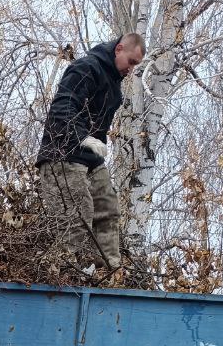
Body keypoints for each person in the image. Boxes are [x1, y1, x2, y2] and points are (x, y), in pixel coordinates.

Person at [36, 33, 145, 272]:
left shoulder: (114, 84)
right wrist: (83, 138)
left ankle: (110, 272)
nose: (132, 70)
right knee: (77, 216)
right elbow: (62, 107)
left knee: (108, 207)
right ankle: (62, 273)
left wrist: (94, 145)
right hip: (62, 153)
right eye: (132, 62)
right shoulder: (86, 67)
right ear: (119, 49)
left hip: (90, 157)